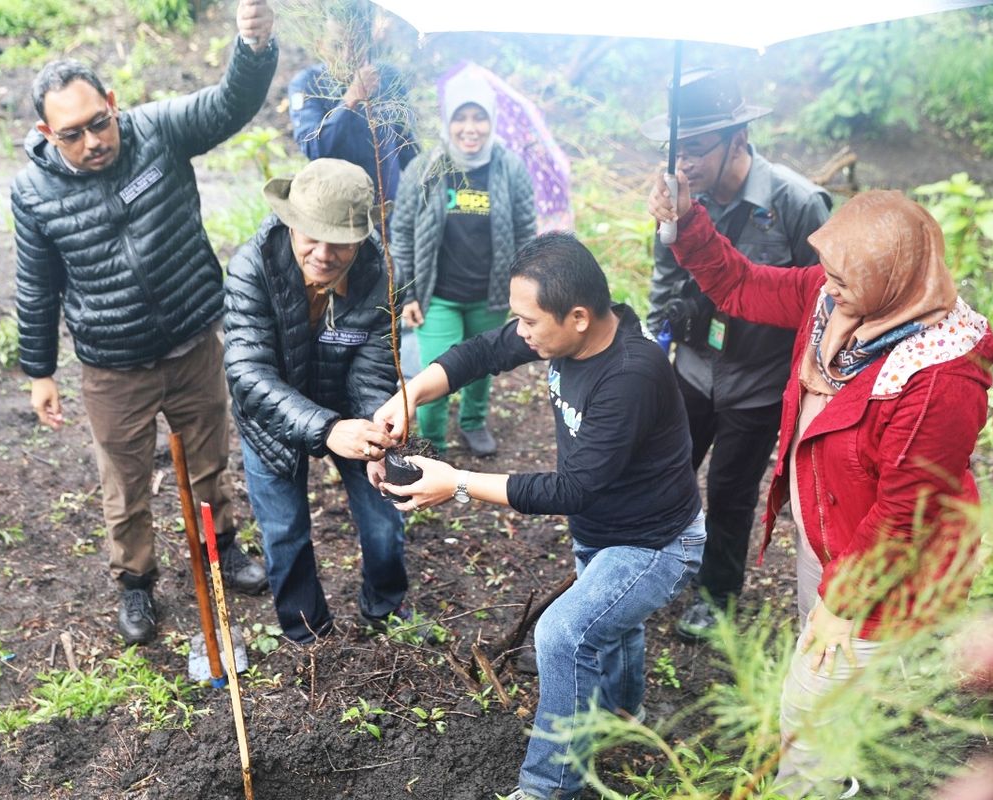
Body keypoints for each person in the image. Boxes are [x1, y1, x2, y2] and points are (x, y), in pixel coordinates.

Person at [649, 177, 993, 798]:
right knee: (832, 684)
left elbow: (906, 513)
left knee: (807, 713)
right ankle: (846, 760)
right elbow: (742, 284)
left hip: (886, 574)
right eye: (828, 273)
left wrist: (842, 602)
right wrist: (688, 222)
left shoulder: (939, 375)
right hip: (833, 541)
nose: (827, 285)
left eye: (842, 277)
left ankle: (813, 784)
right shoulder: (841, 303)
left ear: (892, 275)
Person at [372, 232, 706, 800]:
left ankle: (549, 787)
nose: (521, 332)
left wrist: (457, 483)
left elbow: (574, 488)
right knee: (611, 618)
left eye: (529, 321)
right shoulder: (567, 335)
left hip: (656, 542)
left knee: (565, 633)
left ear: (578, 316)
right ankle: (624, 713)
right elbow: (484, 352)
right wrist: (412, 394)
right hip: (603, 528)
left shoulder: (631, 372)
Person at [11, 0, 277, 646]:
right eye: (71, 134)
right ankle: (135, 582)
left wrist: (252, 47)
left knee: (208, 462)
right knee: (125, 484)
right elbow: (37, 285)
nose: (92, 142)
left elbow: (229, 105)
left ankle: (219, 549)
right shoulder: (33, 192)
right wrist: (39, 371)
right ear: (47, 133)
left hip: (192, 343)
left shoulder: (159, 130)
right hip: (112, 365)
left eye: (98, 123)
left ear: (112, 102)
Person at [641, 68, 831, 641]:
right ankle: (653, 571)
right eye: (676, 149)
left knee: (730, 491)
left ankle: (717, 594)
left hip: (759, 382)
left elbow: (826, 299)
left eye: (696, 148)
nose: (684, 163)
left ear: (738, 138)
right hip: (694, 369)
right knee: (665, 472)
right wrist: (657, 339)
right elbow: (664, 275)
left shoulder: (797, 202)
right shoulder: (679, 197)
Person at [224, 158, 407, 644]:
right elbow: (248, 372)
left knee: (383, 519)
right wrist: (325, 430)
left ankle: (385, 607)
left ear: (362, 237)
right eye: (311, 236)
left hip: (350, 413)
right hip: (270, 416)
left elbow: (374, 369)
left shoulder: (381, 274)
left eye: (339, 241)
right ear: (290, 222)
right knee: (284, 530)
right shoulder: (252, 267)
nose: (323, 254)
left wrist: (373, 431)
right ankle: (309, 636)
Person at [391, 69, 536, 457]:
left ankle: (473, 422)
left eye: (479, 117)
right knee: (434, 372)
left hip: (490, 294)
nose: (470, 128)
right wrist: (407, 294)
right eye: (461, 117)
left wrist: (523, 290)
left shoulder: (510, 168)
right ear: (447, 119)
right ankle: (433, 443)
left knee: (484, 365)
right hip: (437, 296)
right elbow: (401, 233)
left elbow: (525, 231)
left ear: (491, 120)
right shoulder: (425, 168)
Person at [288, 0, 418, 204]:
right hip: (337, 209)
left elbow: (406, 145)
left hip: (388, 207)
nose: (347, 56)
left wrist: (427, 181)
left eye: (356, 44)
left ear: (368, 43)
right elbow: (314, 148)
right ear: (320, 45)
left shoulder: (388, 76)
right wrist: (350, 99)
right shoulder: (307, 84)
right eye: (337, 46)